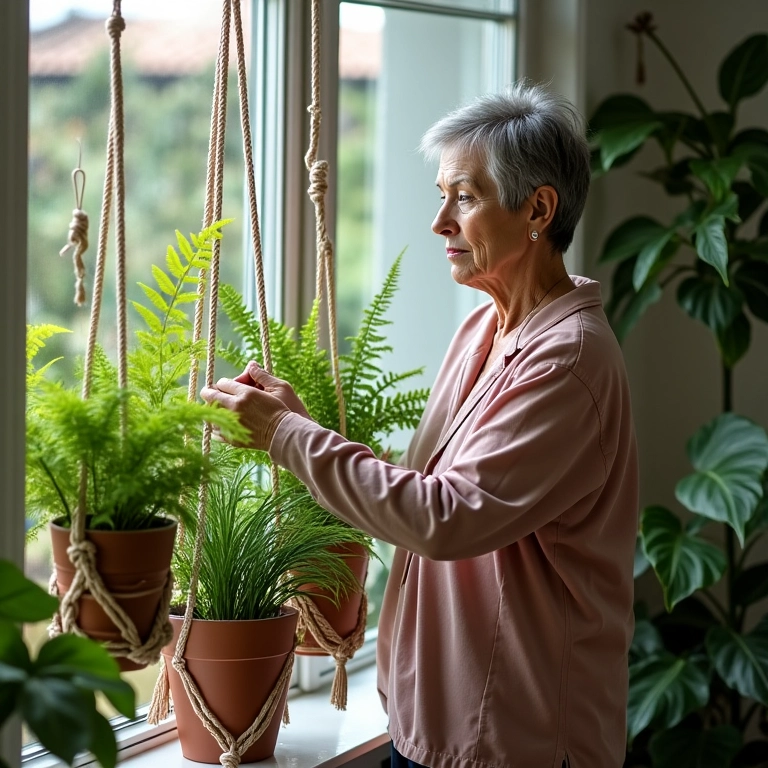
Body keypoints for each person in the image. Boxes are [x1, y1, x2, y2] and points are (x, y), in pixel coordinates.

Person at [201, 82, 638, 768]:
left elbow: (446, 518)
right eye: (443, 196)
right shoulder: (484, 329)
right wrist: (301, 422)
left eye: (464, 197)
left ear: (539, 209)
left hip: (514, 743)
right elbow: (426, 488)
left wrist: (288, 440)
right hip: (438, 730)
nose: (440, 222)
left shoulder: (567, 361)